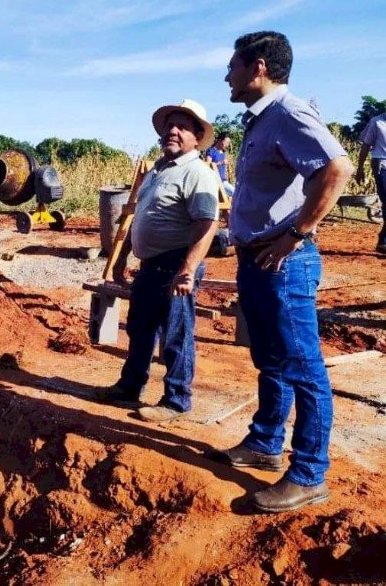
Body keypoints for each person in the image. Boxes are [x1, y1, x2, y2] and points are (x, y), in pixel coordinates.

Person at [218, 31, 352, 513]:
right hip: (258, 259)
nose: (226, 76)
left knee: (302, 365)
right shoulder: (262, 120)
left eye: (232, 66)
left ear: (257, 67)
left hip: (285, 261)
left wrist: (296, 233)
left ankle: (310, 474)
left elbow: (337, 168)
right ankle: (265, 443)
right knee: (271, 358)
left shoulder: (290, 113)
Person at [103, 99, 219, 423]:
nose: (173, 131)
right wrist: (122, 255)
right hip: (150, 266)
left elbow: (207, 224)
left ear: (197, 137)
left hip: (176, 265)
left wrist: (188, 269)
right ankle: (129, 387)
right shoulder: (157, 170)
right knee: (140, 329)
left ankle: (177, 400)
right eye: (170, 125)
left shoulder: (197, 172)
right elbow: (139, 215)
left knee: (176, 334)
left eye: (182, 127)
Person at [354, 111, 386, 253]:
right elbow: (366, 145)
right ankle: (384, 241)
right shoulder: (376, 122)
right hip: (381, 165)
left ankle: (383, 239)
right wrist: (360, 168)